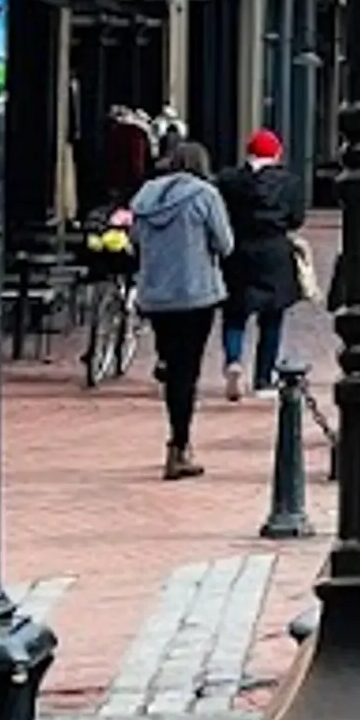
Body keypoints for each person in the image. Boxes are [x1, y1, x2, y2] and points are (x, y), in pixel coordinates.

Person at [128, 134, 234, 474]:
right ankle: (179, 444)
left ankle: (165, 363)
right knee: (187, 372)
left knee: (174, 363)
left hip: (156, 293)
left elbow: (134, 239)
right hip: (195, 294)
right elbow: (225, 243)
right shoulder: (206, 196)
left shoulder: (145, 196)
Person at [223, 128, 306, 397]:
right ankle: (263, 378)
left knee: (235, 314)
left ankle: (234, 360)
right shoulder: (290, 183)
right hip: (275, 252)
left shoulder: (229, 180)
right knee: (272, 317)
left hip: (239, 250)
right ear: (276, 153)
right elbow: (296, 219)